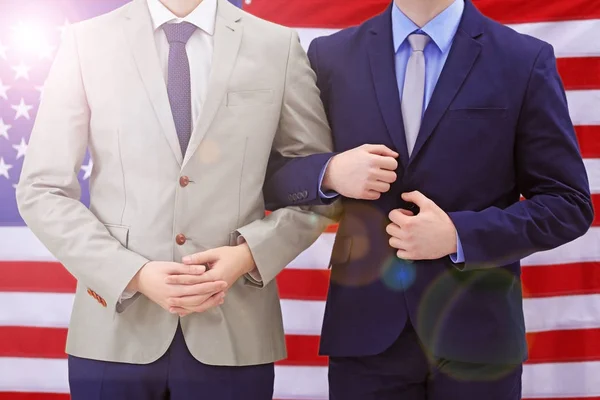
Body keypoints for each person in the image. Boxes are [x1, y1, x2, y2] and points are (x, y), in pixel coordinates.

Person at [15, 0, 347, 398]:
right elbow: (41, 188)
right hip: (113, 329)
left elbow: (317, 191)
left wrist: (246, 256)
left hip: (234, 327)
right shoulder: (86, 42)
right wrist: (131, 273)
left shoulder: (276, 45)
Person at [263, 0, 594, 398]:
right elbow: (273, 176)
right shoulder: (331, 56)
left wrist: (459, 235)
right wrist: (329, 172)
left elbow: (568, 203)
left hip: (479, 336)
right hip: (365, 334)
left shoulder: (522, 59)